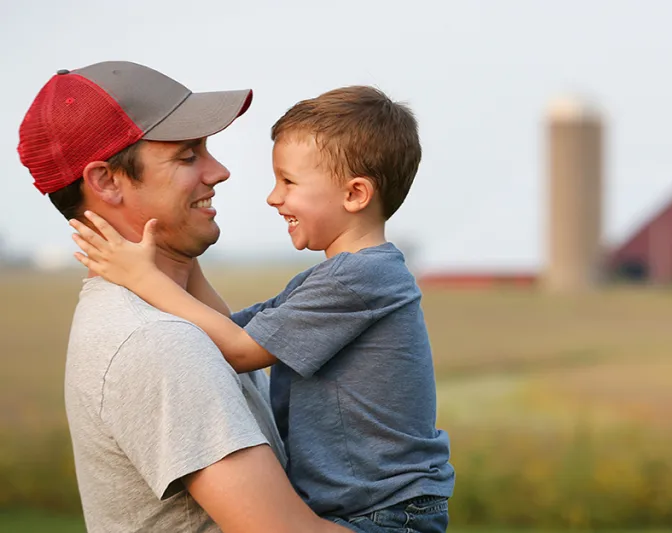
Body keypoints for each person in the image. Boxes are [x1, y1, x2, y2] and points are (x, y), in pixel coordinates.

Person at [70, 85, 456, 532]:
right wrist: (179, 249)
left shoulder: (362, 280)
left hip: (386, 516)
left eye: (288, 182)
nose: (274, 197)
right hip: (361, 507)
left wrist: (143, 277)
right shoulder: (333, 279)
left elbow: (238, 350)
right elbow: (228, 327)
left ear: (354, 195)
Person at [17, 60, 353, 533]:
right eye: (187, 155)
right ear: (106, 181)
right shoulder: (157, 342)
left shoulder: (165, 314)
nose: (219, 171)